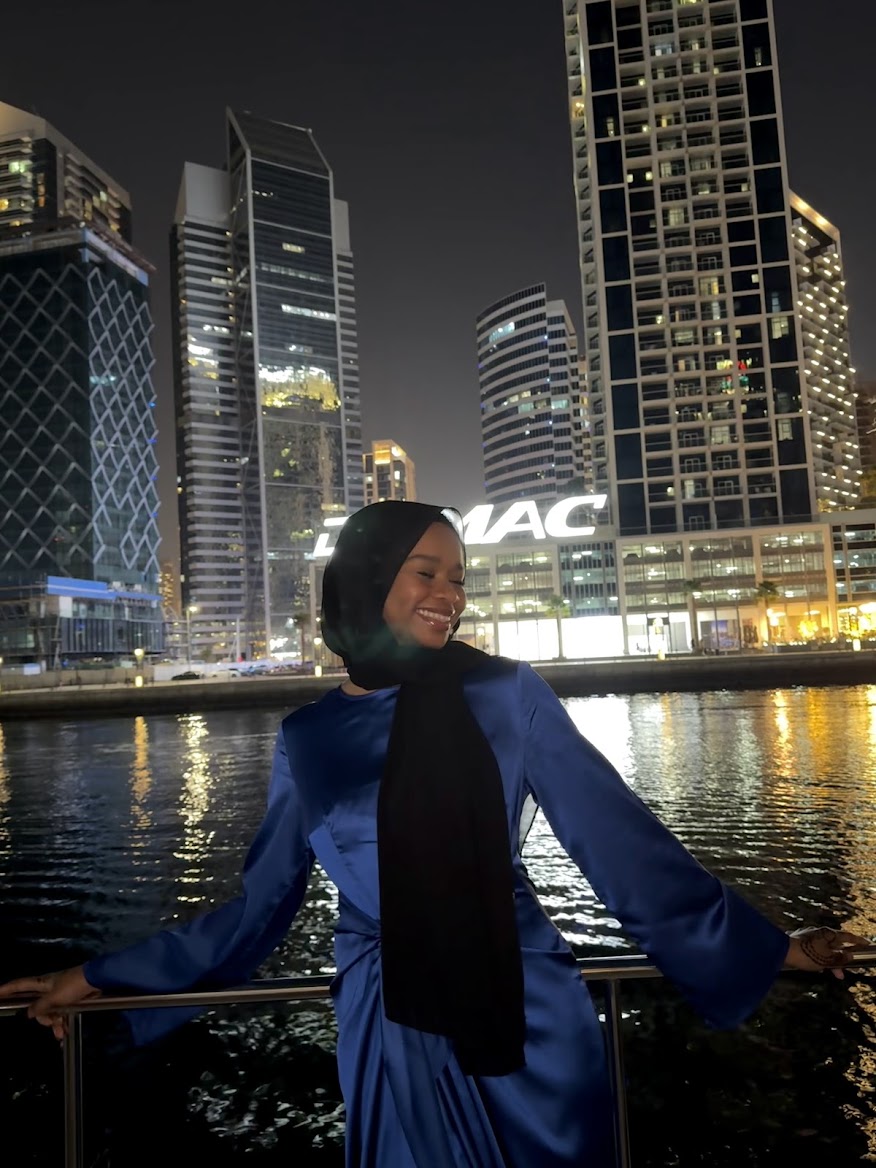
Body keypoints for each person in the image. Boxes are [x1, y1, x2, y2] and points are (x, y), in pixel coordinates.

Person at [0, 501, 868, 1166]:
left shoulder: (505, 694)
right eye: (427, 573)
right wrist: (97, 976)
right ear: (369, 578)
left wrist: (769, 949)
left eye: (457, 578)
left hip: (523, 1014)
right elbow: (254, 911)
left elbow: (623, 847)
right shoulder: (308, 737)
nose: (450, 596)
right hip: (390, 1024)